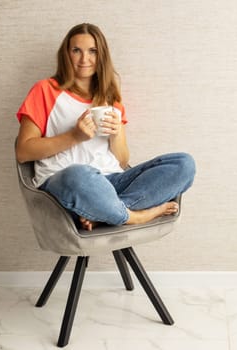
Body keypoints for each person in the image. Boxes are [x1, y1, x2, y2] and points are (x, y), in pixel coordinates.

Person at [16, 23, 195, 230]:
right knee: (80, 175)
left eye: (92, 51)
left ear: (101, 56)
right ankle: (135, 216)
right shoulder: (45, 90)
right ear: (66, 54)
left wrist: (117, 132)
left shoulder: (110, 97)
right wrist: (74, 136)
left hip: (112, 182)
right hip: (67, 182)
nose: (85, 59)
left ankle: (105, 213)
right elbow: (23, 152)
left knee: (183, 164)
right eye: (76, 51)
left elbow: (122, 160)